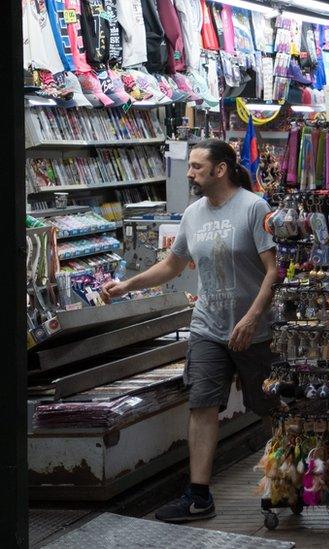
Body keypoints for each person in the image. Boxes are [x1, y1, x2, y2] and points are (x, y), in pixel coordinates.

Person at [101, 139, 279, 522]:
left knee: (268, 407)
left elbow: (273, 271)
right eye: (190, 166)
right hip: (207, 329)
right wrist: (128, 285)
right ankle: (199, 495)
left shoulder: (254, 207)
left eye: (198, 166)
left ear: (221, 170)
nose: (189, 173)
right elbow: (172, 264)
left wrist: (251, 318)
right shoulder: (193, 214)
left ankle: (282, 483)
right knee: (201, 404)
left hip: (255, 330)